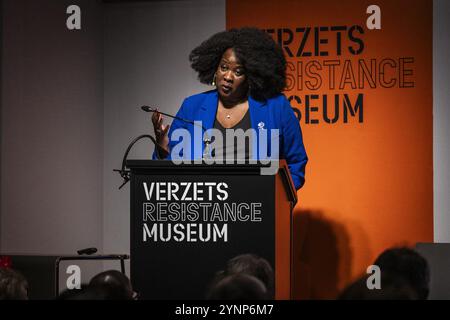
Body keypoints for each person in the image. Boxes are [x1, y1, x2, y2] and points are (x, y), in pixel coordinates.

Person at [151, 27, 308, 190]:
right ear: (215, 68)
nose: (227, 77)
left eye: (238, 71)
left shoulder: (276, 107)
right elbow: (171, 171)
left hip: (257, 206)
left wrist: (276, 199)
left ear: (252, 75)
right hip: (205, 206)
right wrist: (163, 148)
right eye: (224, 67)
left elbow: (296, 164)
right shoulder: (192, 106)